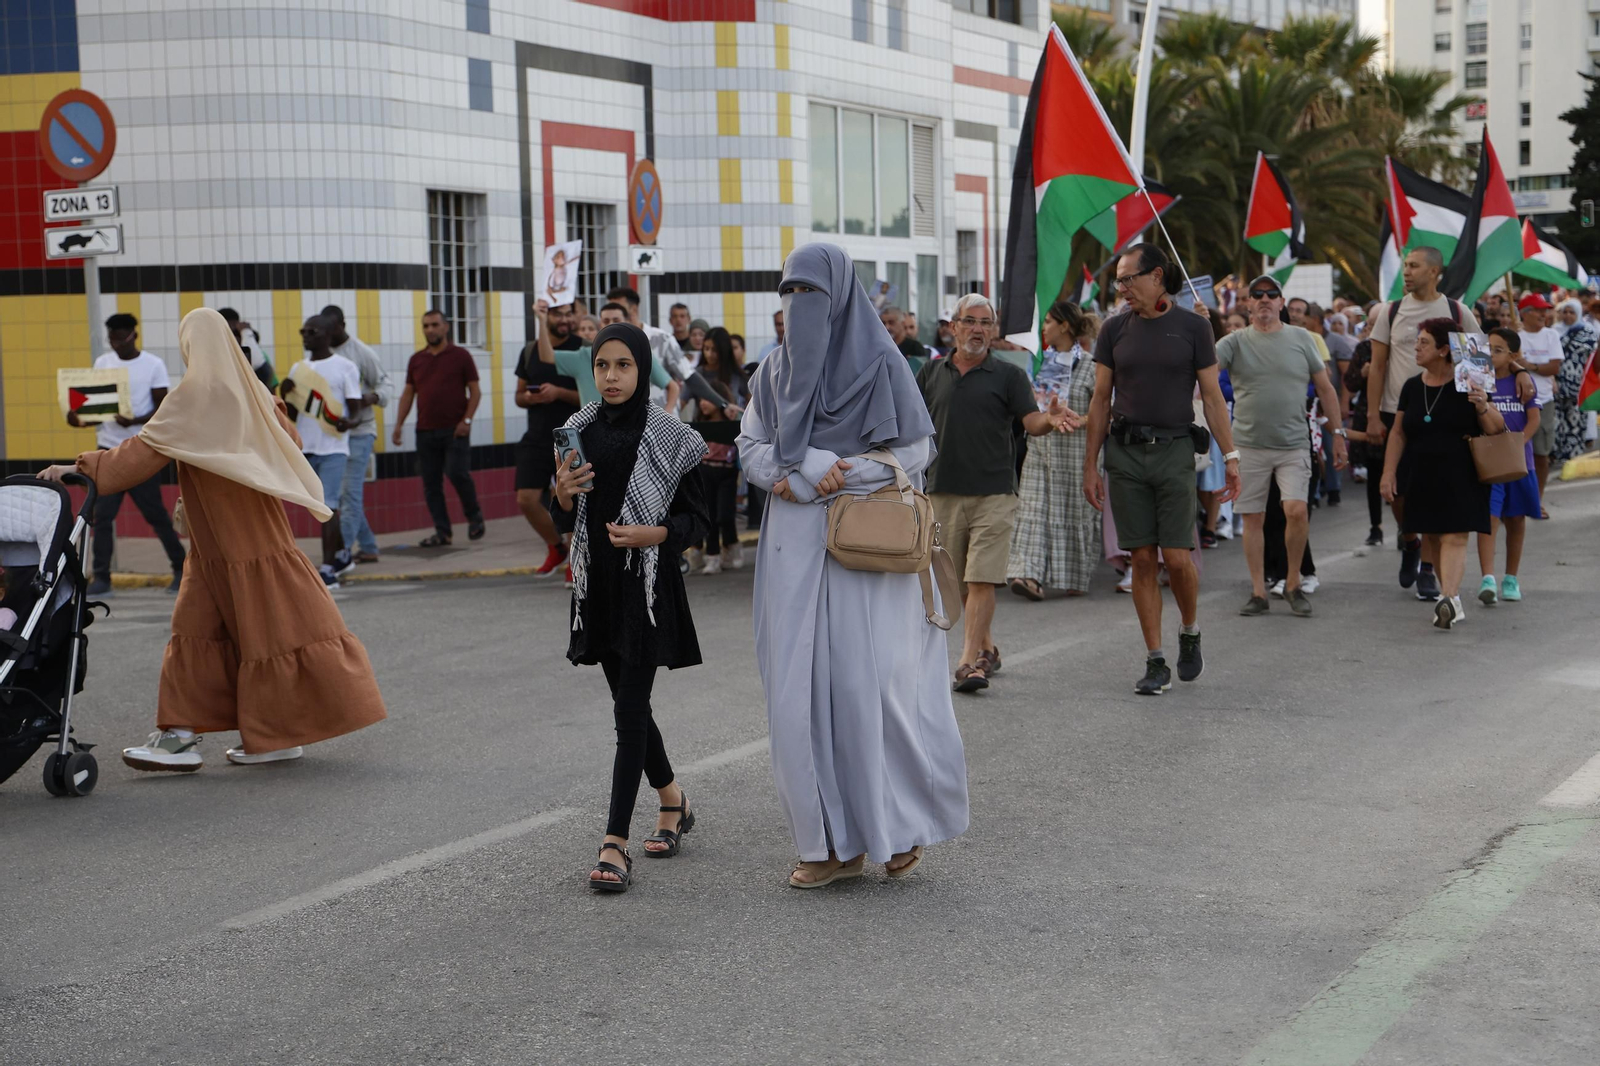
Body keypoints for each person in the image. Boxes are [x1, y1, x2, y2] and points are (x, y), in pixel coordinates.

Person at [40, 307, 385, 770]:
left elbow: (138, 455)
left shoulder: (193, 396)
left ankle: (188, 736)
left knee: (207, 630)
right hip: (254, 534)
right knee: (258, 628)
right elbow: (290, 444)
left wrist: (76, 469)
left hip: (221, 540)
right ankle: (232, 734)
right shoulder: (256, 392)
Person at [738, 243, 968, 887]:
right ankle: (827, 845)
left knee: (869, 692)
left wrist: (834, 475)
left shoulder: (881, 365)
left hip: (864, 557)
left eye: (811, 293)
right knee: (797, 697)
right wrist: (801, 466)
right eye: (790, 293)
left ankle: (895, 830)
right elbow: (750, 447)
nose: (798, 306)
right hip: (792, 556)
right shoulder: (772, 373)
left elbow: (914, 450)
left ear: (841, 295)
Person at [549, 323, 709, 893]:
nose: (611, 377)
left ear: (642, 370)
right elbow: (566, 517)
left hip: (647, 587)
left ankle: (613, 842)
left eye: (623, 366)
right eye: (602, 366)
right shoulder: (576, 431)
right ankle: (673, 801)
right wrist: (562, 497)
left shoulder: (672, 437)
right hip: (598, 588)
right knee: (628, 705)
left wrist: (656, 533)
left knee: (629, 711)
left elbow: (699, 521)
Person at [1082, 243, 1238, 695]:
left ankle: (1189, 631)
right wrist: (1091, 465)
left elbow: (1212, 398)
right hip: (1125, 453)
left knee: (1177, 558)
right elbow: (1099, 400)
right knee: (1143, 559)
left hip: (1173, 449)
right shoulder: (1113, 330)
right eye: (1119, 281)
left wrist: (1231, 458)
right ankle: (1155, 660)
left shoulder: (1193, 327)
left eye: (1129, 278)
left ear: (1157, 276)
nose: (1122, 288)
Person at [916, 292, 1079, 694]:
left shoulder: (1009, 375)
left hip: (995, 493)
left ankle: (969, 662)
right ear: (952, 327)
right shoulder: (929, 374)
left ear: (994, 330)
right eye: (969, 321)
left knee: (983, 579)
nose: (977, 329)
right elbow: (910, 426)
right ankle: (988, 647)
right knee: (959, 584)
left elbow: (1031, 420)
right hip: (941, 492)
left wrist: (1049, 419)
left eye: (986, 323)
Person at [1218, 277, 1346, 618]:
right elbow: (1205, 369)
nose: (1263, 299)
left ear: (1281, 302)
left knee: (1296, 511)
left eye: (1270, 294)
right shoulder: (1234, 342)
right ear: (1248, 304)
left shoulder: (1302, 338)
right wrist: (1205, 326)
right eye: (1257, 295)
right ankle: (1258, 591)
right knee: (1254, 518)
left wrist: (1339, 435)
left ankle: (1293, 583)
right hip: (1248, 444)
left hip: (1293, 444)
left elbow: (1327, 390)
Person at [1378, 317, 1505, 629]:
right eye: (1417, 342)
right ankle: (1453, 601)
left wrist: (1481, 405)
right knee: (1433, 533)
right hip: (1421, 471)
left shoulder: (1470, 381)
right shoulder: (1411, 386)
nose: (1416, 348)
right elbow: (1397, 433)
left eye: (1424, 343)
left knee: (1455, 535)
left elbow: (1497, 429)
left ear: (1444, 350)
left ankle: (1447, 597)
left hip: (1462, 471)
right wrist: (1388, 472)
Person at [1368, 246, 1478, 600]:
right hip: (1397, 414)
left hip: (1444, 415)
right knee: (1396, 493)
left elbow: (1477, 365)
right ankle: (1410, 539)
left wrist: (1518, 372)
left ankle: (1428, 569)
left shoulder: (1457, 311)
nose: (1407, 272)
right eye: (1405, 266)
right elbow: (1379, 366)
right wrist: (1372, 415)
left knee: (1431, 494)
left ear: (1434, 272)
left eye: (1414, 266)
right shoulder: (1391, 311)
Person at [70, 313, 187, 597]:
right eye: (111, 338)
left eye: (120, 337)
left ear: (134, 335)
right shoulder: (103, 363)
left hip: (140, 451)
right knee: (101, 516)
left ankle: (182, 569)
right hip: (107, 450)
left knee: (155, 515)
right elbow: (96, 403)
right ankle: (101, 578)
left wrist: (134, 421)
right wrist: (79, 417)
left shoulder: (153, 365)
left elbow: (162, 408)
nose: (116, 344)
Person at [1006, 301, 1099, 600]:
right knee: (1032, 509)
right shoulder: (1040, 363)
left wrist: (1079, 420)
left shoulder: (1091, 365)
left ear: (1065, 326)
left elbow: (1106, 412)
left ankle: (1074, 574)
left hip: (1075, 451)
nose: (1044, 328)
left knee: (1072, 511)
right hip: (1040, 447)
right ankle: (1027, 574)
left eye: (1048, 321)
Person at [281, 315, 364, 588]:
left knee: (327, 508)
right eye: (302, 331)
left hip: (333, 449)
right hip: (307, 449)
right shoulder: (298, 368)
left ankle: (328, 570)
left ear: (328, 335)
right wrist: (285, 392)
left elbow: (356, 409)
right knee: (324, 508)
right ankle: (342, 556)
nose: (305, 336)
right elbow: (292, 413)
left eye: (312, 331)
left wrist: (348, 423)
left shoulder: (345, 367)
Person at [390, 310, 485, 547]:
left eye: (434, 325)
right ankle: (442, 532)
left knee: (457, 473)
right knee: (431, 484)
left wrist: (467, 421)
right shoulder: (417, 359)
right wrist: (399, 425)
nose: (429, 330)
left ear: (446, 327)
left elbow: (475, 391)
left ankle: (474, 517)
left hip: (455, 430)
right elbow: (408, 393)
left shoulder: (460, 355)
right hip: (425, 431)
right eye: (425, 326)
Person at [514, 298, 583, 578]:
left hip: (572, 436)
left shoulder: (583, 348)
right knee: (526, 499)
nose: (565, 320)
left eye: (569, 314)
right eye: (559, 315)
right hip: (537, 436)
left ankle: (574, 560)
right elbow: (518, 396)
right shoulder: (530, 350)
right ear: (547, 317)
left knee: (569, 500)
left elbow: (593, 396)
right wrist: (530, 397)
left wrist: (560, 393)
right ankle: (556, 547)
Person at [1475, 328, 1541, 606]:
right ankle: (1487, 577)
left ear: (1513, 356)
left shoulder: (1522, 382)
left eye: (1498, 350)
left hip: (1520, 463)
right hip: (1490, 462)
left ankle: (1511, 578)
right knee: (1488, 519)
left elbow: (1534, 419)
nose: (1490, 354)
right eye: (1487, 348)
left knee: (1516, 520)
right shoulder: (1479, 380)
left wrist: (1519, 443)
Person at [321, 305, 390, 565]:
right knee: (342, 495)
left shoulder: (361, 353)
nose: (325, 336)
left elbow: (385, 384)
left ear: (342, 326)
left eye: (330, 330)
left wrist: (370, 398)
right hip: (335, 436)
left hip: (360, 433)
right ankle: (369, 546)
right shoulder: (323, 354)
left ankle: (342, 554)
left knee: (349, 496)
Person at [693, 326, 748, 574]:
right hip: (705, 468)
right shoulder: (697, 376)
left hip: (728, 464)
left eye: (715, 349)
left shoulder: (738, 378)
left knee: (725, 514)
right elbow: (682, 398)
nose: (710, 354)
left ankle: (731, 546)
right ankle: (711, 554)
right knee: (708, 513)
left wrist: (736, 413)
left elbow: (750, 407)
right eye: (706, 349)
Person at [1514, 293, 1564, 502]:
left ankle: (1537, 498)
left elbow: (1554, 366)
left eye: (1545, 309)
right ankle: (1518, 499)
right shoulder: (1515, 337)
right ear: (1525, 314)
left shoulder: (1551, 335)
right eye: (1539, 310)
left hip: (1543, 400)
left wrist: (1529, 366)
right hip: (1517, 402)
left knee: (1541, 455)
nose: (1544, 314)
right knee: (1516, 454)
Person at [606, 286, 686, 411]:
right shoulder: (607, 347)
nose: (612, 313)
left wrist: (669, 410)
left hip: (662, 423)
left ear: (633, 310)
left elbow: (687, 376)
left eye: (617, 309)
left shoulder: (662, 338)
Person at [1343, 339, 1386, 545]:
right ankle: (1375, 526)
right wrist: (1363, 373)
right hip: (1369, 415)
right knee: (1375, 472)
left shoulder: (1398, 345)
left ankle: (1406, 529)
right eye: (1370, 324)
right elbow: (1349, 382)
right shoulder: (1364, 348)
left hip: (1395, 411)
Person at [1552, 297, 1599, 470]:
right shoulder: (1554, 332)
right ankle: (1557, 453)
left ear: (1578, 313)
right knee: (1558, 421)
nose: (1568, 315)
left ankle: (1571, 456)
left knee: (1575, 421)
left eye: (1572, 312)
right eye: (1565, 311)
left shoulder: (1588, 332)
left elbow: (1594, 359)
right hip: (1557, 384)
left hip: (1578, 385)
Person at [218, 307, 276, 390]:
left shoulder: (256, 354)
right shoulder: (216, 355)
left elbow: (266, 379)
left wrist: (247, 334)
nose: (233, 337)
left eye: (235, 333)